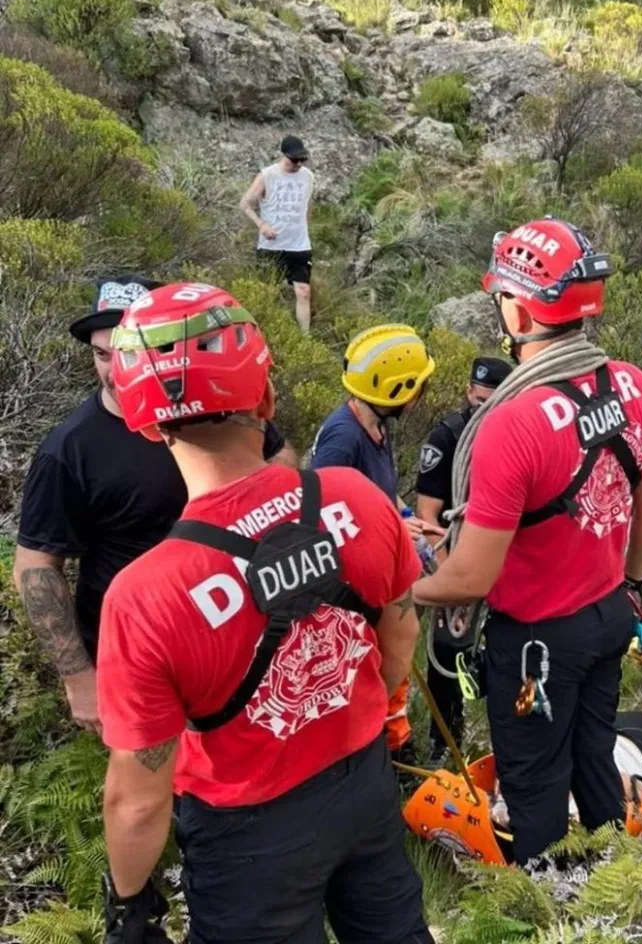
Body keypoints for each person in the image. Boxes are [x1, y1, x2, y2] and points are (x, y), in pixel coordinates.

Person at [97, 281, 432, 944]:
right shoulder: (355, 498)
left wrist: (129, 904)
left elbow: (137, 797)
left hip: (248, 835)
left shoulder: (147, 595)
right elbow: (401, 635)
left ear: (146, 426)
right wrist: (350, 714)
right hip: (363, 783)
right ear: (267, 399)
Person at [412, 218, 642, 865]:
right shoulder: (635, 386)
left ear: (520, 310)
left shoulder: (513, 423)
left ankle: (550, 898)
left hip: (536, 642)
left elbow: (471, 577)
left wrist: (400, 586)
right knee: (593, 757)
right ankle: (613, 878)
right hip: (609, 614)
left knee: (533, 784)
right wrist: (631, 584)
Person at [13, 276, 295, 734]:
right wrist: (78, 678)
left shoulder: (208, 402)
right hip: (140, 654)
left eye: (126, 353)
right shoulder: (69, 449)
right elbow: (35, 566)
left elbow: (277, 453)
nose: (113, 370)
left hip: (238, 630)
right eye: (102, 355)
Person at [311, 323, 441, 767]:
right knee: (379, 661)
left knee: (395, 658)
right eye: (417, 386)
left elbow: (379, 491)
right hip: (354, 581)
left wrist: (404, 517)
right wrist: (390, 533)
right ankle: (379, 753)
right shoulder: (343, 439)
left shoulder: (375, 427)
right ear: (395, 390)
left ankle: (394, 745)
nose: (421, 394)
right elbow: (322, 513)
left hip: (379, 563)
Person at [415, 355, 513, 767]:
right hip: (457, 553)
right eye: (477, 399)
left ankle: (504, 736)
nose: (480, 409)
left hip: (506, 559)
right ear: (467, 392)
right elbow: (428, 513)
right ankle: (444, 742)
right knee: (448, 651)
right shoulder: (448, 437)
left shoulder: (516, 436)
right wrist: (448, 575)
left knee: (506, 650)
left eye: (490, 402)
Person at [239, 135, 315, 334]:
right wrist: (261, 225)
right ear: (284, 155)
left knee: (304, 292)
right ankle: (263, 333)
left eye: (302, 160)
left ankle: (305, 337)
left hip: (299, 245)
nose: (298, 164)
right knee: (266, 292)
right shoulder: (268, 175)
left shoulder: (308, 176)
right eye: (294, 160)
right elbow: (245, 204)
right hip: (271, 245)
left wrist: (305, 228)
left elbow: (307, 206)